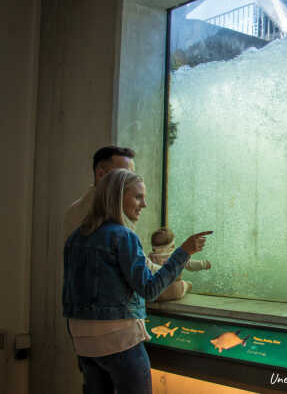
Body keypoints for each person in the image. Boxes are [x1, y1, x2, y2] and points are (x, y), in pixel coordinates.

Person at [62, 168, 211, 394]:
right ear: (116, 197)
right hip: (119, 340)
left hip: (83, 342)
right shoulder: (123, 236)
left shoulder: (76, 237)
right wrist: (183, 252)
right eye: (138, 196)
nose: (144, 204)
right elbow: (149, 289)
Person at [64, 145, 161, 272]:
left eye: (132, 175)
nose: (131, 180)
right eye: (124, 174)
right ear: (100, 174)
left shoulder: (73, 210)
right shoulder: (110, 214)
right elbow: (142, 272)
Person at [148, 227, 212, 301]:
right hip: (174, 290)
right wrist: (203, 264)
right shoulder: (173, 257)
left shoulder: (150, 257)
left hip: (156, 292)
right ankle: (188, 285)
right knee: (183, 285)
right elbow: (190, 264)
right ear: (171, 246)